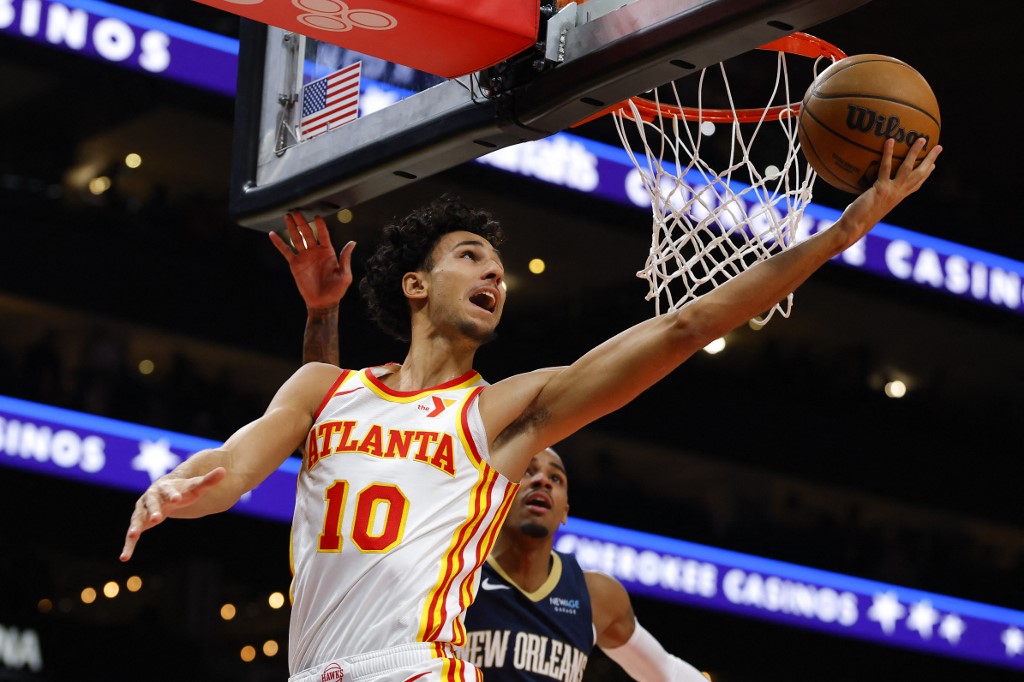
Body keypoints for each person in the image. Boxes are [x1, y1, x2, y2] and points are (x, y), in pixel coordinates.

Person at [119, 137, 940, 682]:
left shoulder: (505, 415)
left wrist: (838, 236)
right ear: (415, 286)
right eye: (470, 257)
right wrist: (180, 488)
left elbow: (684, 327)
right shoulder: (321, 390)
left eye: (499, 268)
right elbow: (236, 464)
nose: (494, 275)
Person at [274, 215, 713, 682]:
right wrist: (322, 316)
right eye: (530, 470)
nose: (541, 478)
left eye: (557, 476)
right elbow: (336, 445)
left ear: (568, 508)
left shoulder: (591, 595)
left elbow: (666, 672)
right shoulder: (449, 566)